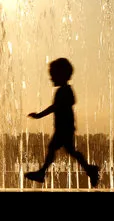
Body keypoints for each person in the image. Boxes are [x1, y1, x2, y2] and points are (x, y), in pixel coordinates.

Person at [25, 57, 100, 187]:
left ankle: (42, 173)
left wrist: (39, 115)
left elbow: (55, 107)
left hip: (64, 128)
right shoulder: (66, 90)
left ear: (62, 75)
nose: (51, 78)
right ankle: (90, 169)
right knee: (70, 151)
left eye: (53, 75)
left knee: (54, 148)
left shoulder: (64, 90)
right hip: (66, 127)